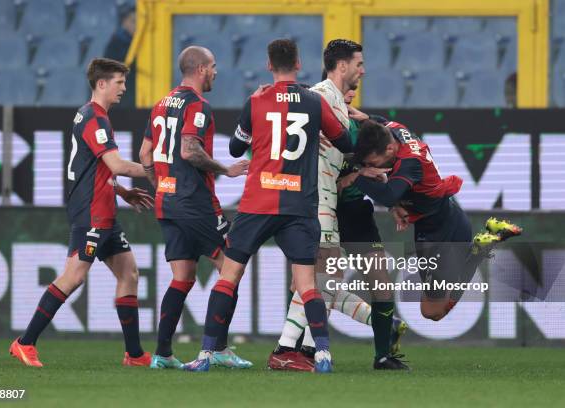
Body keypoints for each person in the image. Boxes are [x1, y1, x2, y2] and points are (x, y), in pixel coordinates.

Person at [183, 38, 353, 373]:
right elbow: (347, 143)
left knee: (228, 277)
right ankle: (322, 354)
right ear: (299, 64)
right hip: (299, 206)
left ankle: (205, 355)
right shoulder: (314, 102)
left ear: (268, 65)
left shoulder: (257, 99)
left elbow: (234, 149)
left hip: (257, 203)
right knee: (307, 284)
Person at [269, 40, 408, 372]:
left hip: (337, 207)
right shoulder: (317, 99)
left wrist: (360, 171)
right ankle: (288, 348)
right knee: (314, 280)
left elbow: (359, 150)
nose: (363, 70)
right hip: (316, 203)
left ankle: (301, 349)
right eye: (358, 64)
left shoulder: (347, 115)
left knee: (325, 281)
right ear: (342, 67)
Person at [10, 58, 154, 367]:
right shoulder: (95, 118)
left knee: (128, 273)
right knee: (74, 276)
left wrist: (122, 191)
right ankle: (25, 342)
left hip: (104, 208)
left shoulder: (88, 115)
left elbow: (92, 169)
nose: (124, 88)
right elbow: (116, 165)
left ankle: (135, 354)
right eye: (119, 82)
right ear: (102, 84)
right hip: (91, 213)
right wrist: (161, 173)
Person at [139, 46, 250, 370]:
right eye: (213, 66)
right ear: (201, 69)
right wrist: (225, 169)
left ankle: (162, 353)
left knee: (183, 276)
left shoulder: (161, 104)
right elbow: (190, 150)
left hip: (168, 202)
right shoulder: (198, 105)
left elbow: (146, 154)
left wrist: (160, 185)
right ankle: (217, 348)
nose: (216, 72)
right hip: (195, 200)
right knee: (232, 266)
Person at [350, 118, 522, 320]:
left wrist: (356, 176)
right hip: (450, 216)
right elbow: (377, 121)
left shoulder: (410, 163)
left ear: (389, 150)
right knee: (433, 307)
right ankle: (479, 249)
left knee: (432, 312)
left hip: (436, 236)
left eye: (372, 163)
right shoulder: (396, 130)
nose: (369, 167)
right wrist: (353, 114)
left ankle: (478, 252)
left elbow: (389, 194)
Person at [104, 7, 136, 108]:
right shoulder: (118, 40)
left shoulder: (135, 41)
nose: (137, 26)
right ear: (124, 22)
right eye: (133, 21)